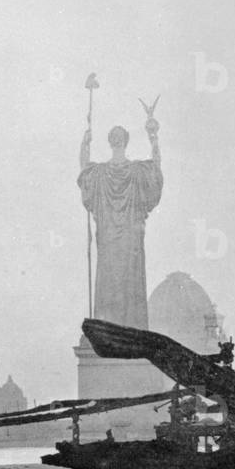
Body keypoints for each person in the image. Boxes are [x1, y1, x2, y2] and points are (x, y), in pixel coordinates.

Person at [78, 117, 163, 329]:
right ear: (124, 141)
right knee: (126, 279)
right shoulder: (133, 171)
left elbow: (84, 172)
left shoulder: (103, 173)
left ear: (114, 142)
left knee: (113, 280)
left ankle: (114, 327)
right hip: (125, 240)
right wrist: (153, 137)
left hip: (114, 239)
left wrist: (84, 145)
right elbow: (156, 170)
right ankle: (125, 327)